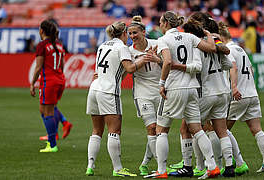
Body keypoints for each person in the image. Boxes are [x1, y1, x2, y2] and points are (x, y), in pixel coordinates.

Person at [144, 11, 219, 179]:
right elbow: (212, 48)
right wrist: (208, 34)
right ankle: (212, 167)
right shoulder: (189, 37)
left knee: (161, 129)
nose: (160, 24)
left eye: (161, 21)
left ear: (165, 23)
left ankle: (161, 171)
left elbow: (168, 62)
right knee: (197, 129)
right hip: (192, 87)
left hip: (175, 87)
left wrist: (161, 83)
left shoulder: (164, 40)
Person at [85, 21, 157, 177]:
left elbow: (108, 70)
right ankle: (118, 169)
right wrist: (143, 59)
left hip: (94, 89)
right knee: (114, 131)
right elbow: (130, 68)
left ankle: (90, 166)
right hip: (109, 92)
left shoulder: (103, 45)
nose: (130, 37)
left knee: (97, 130)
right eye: (128, 34)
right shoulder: (122, 47)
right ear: (124, 33)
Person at [169, 14, 237, 178]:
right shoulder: (216, 45)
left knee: (187, 128)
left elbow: (197, 67)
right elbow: (228, 64)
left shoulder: (197, 46)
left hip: (205, 92)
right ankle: (229, 168)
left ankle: (192, 166)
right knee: (221, 131)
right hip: (222, 91)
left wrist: (177, 66)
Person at [219, 22, 264, 173]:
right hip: (252, 94)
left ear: (221, 37)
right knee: (256, 129)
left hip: (239, 95)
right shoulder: (241, 49)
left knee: (220, 129)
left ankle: (231, 164)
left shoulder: (228, 49)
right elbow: (251, 70)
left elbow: (233, 67)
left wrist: (234, 87)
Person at [127, 15, 162, 176]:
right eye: (130, 34)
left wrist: (156, 58)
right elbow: (126, 69)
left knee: (160, 131)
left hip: (160, 91)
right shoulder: (128, 51)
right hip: (142, 93)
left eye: (135, 33)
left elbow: (167, 63)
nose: (133, 36)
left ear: (143, 32)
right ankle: (161, 165)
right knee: (152, 127)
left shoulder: (157, 44)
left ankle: (145, 163)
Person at [30, 20, 67, 153]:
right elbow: (62, 64)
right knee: (45, 109)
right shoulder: (59, 44)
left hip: (48, 82)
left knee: (47, 112)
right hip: (60, 80)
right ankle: (55, 134)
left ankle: (52, 144)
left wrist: (32, 83)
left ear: (41, 31)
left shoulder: (42, 45)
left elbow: (39, 67)